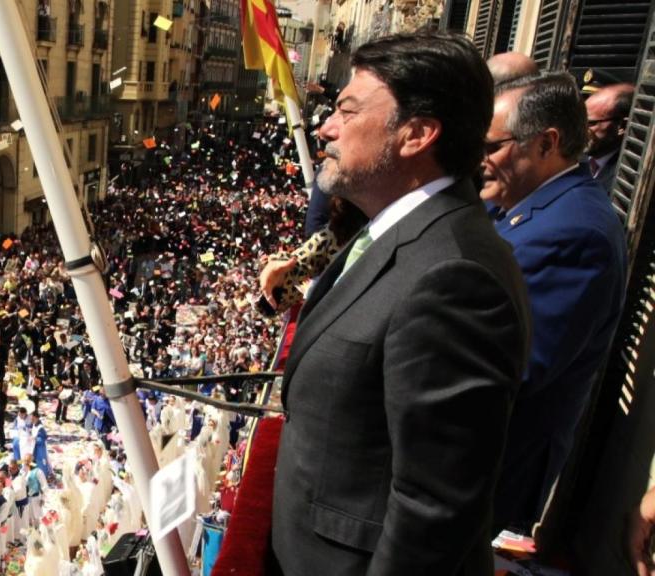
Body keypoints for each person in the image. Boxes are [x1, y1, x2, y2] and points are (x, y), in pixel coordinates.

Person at [267, 32, 530, 575]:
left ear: (416, 134)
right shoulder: (388, 233)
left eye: (346, 110)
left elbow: (435, 508)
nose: (326, 127)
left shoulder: (454, 275)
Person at [481, 72, 627, 532]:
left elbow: (510, 369)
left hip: (487, 479)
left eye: (492, 147)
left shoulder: (577, 233)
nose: (480, 160)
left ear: (546, 144)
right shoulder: (521, 201)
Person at [584, 82, 634, 192]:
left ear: (622, 126)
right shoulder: (573, 158)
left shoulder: (627, 177)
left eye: (590, 123)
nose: (580, 128)